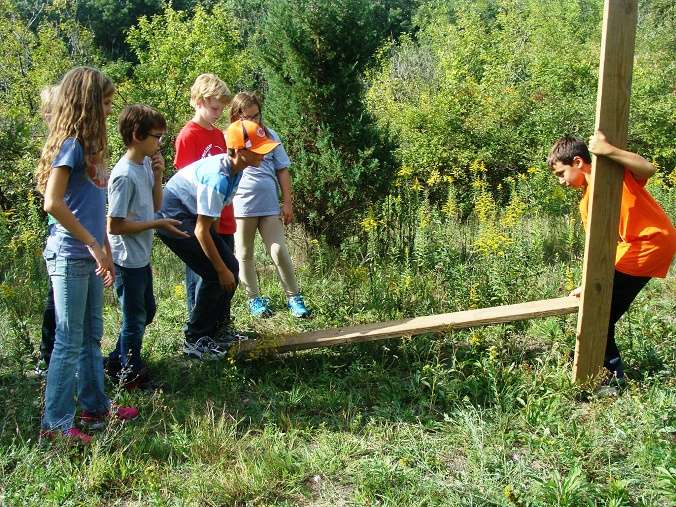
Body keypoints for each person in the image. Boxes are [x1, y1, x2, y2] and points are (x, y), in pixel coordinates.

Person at [36, 67, 139, 444]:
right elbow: (53, 203)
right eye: (107, 103)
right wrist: (93, 245)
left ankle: (95, 405)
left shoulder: (92, 146)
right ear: (89, 103)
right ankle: (56, 424)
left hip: (93, 254)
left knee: (92, 334)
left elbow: (92, 204)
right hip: (69, 254)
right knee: (68, 337)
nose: (111, 111)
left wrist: (105, 248)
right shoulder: (71, 145)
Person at [548, 131, 676, 383]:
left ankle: (608, 378)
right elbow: (601, 250)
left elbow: (648, 168)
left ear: (577, 162)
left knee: (600, 313)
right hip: (637, 249)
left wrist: (607, 150)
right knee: (600, 310)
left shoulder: (612, 174)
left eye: (561, 173)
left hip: (649, 243)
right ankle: (591, 366)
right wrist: (588, 283)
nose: (561, 181)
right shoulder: (586, 202)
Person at [157, 120, 279, 359]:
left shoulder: (237, 171)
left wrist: (225, 264)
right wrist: (220, 267)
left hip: (193, 216)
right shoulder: (219, 177)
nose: (264, 156)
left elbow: (209, 222)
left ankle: (218, 330)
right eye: (259, 150)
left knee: (232, 269)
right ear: (239, 151)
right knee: (216, 274)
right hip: (173, 216)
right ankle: (195, 338)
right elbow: (201, 231)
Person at [105, 104, 188, 388]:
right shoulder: (124, 175)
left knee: (147, 312)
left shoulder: (143, 166)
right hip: (126, 260)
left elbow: (155, 206)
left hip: (140, 256)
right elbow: (114, 225)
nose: (160, 143)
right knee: (134, 318)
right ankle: (131, 374)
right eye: (157, 136)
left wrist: (158, 177)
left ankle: (115, 359)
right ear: (138, 135)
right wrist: (157, 225)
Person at [229, 92, 312, 318]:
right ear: (237, 116)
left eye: (257, 116)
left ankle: (294, 297)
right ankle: (254, 300)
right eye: (249, 117)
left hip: (268, 204)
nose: (255, 121)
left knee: (278, 249)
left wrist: (287, 202)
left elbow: (282, 170)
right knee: (244, 254)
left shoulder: (270, 135)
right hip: (242, 205)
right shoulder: (231, 138)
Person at [174, 74, 233, 317]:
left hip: (223, 215)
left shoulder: (219, 135)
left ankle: (221, 325)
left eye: (221, 108)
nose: (218, 113)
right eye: (214, 107)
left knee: (228, 272)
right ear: (199, 101)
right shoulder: (188, 135)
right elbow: (184, 183)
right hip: (200, 218)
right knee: (201, 277)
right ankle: (197, 331)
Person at [35, 85, 58, 376]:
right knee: (56, 301)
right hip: (61, 235)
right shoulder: (55, 147)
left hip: (68, 234)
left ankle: (50, 355)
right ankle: (47, 356)